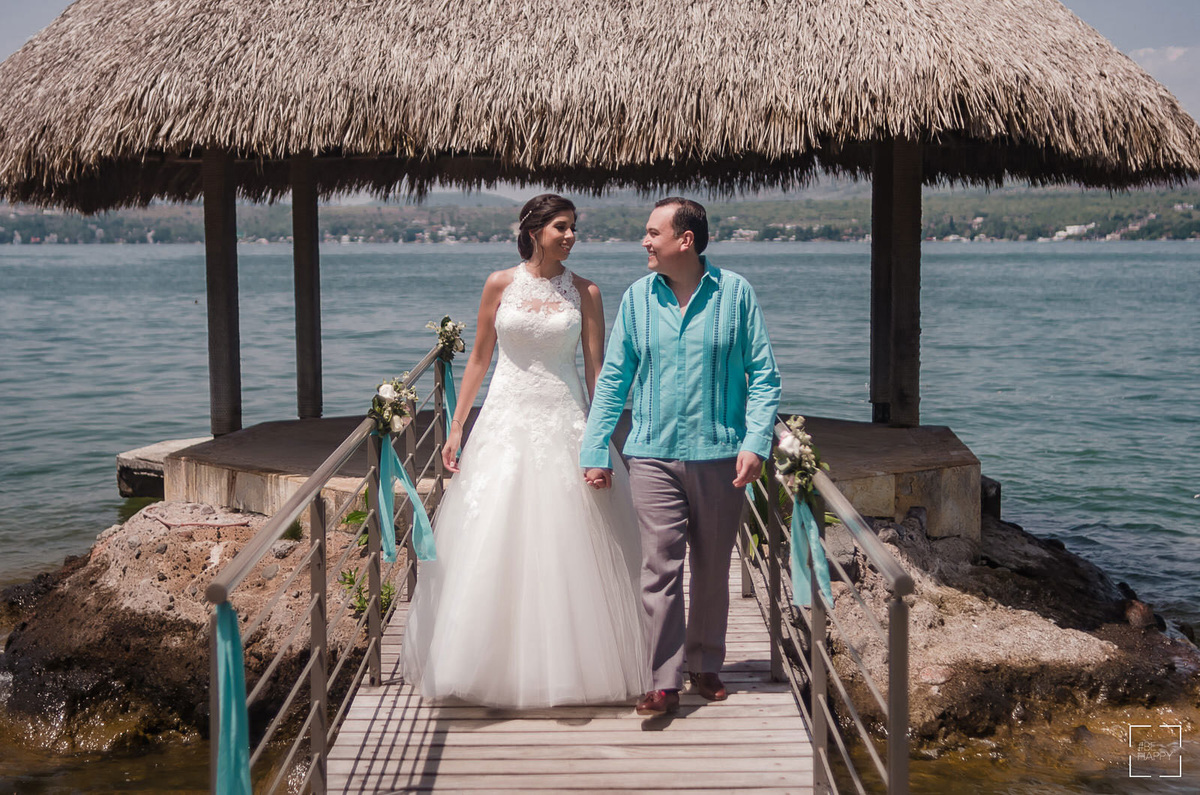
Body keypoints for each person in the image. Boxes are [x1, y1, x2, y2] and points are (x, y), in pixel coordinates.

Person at [401, 194, 649, 708]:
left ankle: (577, 666)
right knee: (492, 532)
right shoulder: (499, 283)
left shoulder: (587, 291)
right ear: (534, 230)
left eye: (573, 227)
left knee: (571, 537)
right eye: (561, 226)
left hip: (565, 419)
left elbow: (599, 373)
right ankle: (482, 663)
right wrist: (456, 427)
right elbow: (479, 360)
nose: (570, 236)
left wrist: (600, 439)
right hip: (504, 419)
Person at [581, 197, 781, 716]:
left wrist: (755, 442)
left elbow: (764, 377)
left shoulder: (736, 294)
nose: (644, 241)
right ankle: (663, 681)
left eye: (653, 233)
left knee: (712, 569)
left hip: (721, 456)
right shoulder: (637, 298)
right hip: (651, 456)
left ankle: (705, 663)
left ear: (685, 240)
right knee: (659, 569)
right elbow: (614, 380)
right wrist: (595, 447)